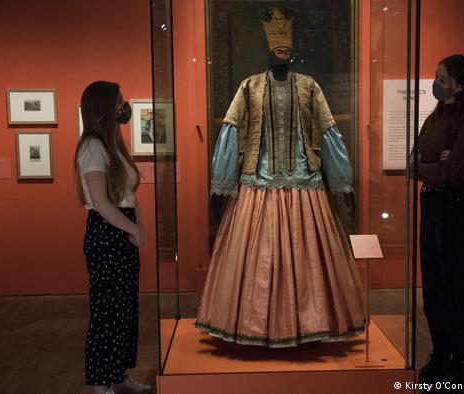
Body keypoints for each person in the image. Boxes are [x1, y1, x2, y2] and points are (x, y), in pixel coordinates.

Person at [194, 7, 366, 348]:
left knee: (308, 260)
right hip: (257, 184)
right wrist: (221, 184)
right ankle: (257, 325)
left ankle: (310, 322)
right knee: (258, 261)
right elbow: (229, 133)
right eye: (276, 44)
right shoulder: (249, 87)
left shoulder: (309, 86)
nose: (281, 50)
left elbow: (329, 131)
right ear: (268, 47)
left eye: (285, 44)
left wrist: (343, 181)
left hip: (306, 184)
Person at [409, 54, 464, 392]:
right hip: (433, 203)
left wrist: (435, 165)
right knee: (433, 289)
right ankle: (440, 353)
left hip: (455, 206)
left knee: (455, 288)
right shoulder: (435, 116)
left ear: (461, 83)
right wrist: (433, 164)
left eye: (441, 77)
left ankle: (459, 360)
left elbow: (452, 170)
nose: (437, 82)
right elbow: (412, 165)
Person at [74, 81, 152, 394]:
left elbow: (127, 195)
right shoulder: (92, 146)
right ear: (105, 106)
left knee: (123, 309)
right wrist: (133, 229)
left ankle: (117, 376)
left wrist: (138, 225)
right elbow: (102, 203)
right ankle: (101, 385)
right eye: (119, 101)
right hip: (108, 233)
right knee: (107, 312)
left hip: (119, 228)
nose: (125, 106)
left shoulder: (109, 144)